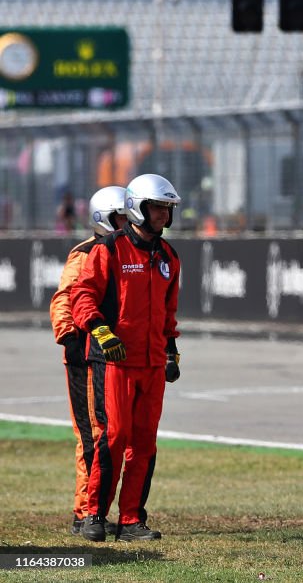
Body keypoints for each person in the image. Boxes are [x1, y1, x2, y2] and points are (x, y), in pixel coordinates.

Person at [71, 174, 182, 542]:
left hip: (151, 365)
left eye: (168, 209)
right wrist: (101, 332)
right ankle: (93, 514)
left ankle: (132, 520)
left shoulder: (169, 257)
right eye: (158, 208)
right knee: (114, 438)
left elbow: (168, 313)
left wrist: (170, 351)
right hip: (114, 361)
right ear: (138, 208)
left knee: (145, 444)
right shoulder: (109, 250)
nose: (163, 216)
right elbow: (82, 297)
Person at [48, 186, 127, 536]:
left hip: (110, 355)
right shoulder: (85, 252)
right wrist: (72, 339)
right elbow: (65, 298)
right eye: (121, 217)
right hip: (84, 354)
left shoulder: (126, 252)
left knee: (109, 432)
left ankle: (95, 508)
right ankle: (84, 512)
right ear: (105, 217)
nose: (128, 223)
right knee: (91, 434)